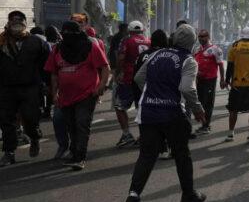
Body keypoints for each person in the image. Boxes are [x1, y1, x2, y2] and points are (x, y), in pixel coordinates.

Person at [122, 25, 207, 202]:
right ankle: (188, 194)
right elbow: (187, 89)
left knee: (146, 155)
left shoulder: (156, 54)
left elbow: (138, 77)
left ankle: (133, 197)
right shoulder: (188, 60)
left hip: (148, 112)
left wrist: (152, 93)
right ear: (192, 43)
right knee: (181, 154)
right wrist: (198, 109)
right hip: (172, 114)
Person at [45, 20, 110, 170]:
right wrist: (54, 93)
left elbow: (105, 68)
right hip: (66, 96)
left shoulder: (90, 46)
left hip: (87, 94)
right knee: (71, 126)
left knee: (82, 123)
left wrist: (100, 87)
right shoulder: (58, 49)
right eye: (64, 33)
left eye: (70, 33)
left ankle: (80, 157)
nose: (67, 36)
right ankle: (74, 152)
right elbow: (54, 74)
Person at [0, 20, 49, 165]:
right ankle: (9, 152)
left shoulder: (36, 42)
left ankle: (34, 138)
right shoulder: (1, 42)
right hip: (6, 87)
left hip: (30, 87)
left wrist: (47, 84)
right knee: (6, 120)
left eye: (19, 24)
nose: (16, 28)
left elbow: (45, 65)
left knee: (29, 118)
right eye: (13, 25)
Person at [112, 21, 150, 147]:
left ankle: (127, 134)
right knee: (142, 108)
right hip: (144, 80)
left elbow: (121, 58)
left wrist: (117, 73)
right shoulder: (148, 41)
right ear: (142, 30)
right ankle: (144, 136)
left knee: (119, 106)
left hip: (128, 79)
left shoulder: (127, 41)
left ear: (130, 31)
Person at [193, 28, 226, 134]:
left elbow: (221, 65)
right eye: (199, 36)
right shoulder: (197, 49)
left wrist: (222, 79)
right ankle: (204, 124)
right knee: (201, 102)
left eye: (203, 36)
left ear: (208, 37)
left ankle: (206, 126)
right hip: (199, 81)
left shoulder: (215, 49)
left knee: (208, 103)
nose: (201, 38)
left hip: (210, 81)